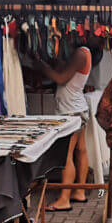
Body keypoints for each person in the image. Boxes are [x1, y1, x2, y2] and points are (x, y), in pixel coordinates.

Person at [35, 44, 94, 211]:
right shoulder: (83, 52)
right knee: (80, 150)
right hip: (76, 108)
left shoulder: (80, 53)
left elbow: (61, 78)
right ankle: (79, 191)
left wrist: (44, 67)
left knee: (66, 155)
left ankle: (64, 199)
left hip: (71, 111)